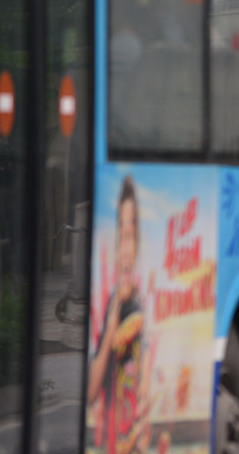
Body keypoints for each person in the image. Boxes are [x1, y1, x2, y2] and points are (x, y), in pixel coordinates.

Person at [87, 176, 151, 453]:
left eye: (131, 236)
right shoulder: (113, 303)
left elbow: (146, 385)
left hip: (134, 437)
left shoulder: (143, 305)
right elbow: (90, 392)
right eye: (121, 235)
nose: (125, 250)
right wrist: (113, 325)